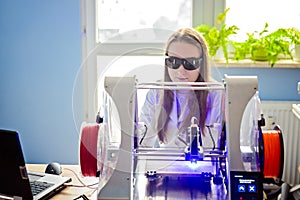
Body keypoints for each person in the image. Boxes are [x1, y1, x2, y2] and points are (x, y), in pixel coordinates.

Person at [139, 28, 225, 148]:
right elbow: (142, 138)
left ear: (202, 63)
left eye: (190, 63)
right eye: (173, 61)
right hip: (164, 164)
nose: (180, 70)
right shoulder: (156, 92)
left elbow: (215, 143)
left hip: (204, 164)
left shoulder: (217, 94)